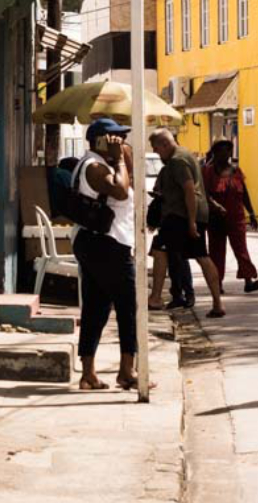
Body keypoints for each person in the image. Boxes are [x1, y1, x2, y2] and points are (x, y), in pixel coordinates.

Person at [69, 118, 138, 392]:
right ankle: (127, 370)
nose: (120, 143)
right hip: (107, 243)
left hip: (101, 241)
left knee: (96, 307)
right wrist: (119, 158)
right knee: (128, 306)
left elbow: (130, 184)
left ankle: (88, 374)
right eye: (114, 138)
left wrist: (123, 157)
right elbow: (120, 192)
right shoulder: (94, 167)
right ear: (99, 141)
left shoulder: (103, 163)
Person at [146, 129, 214, 314]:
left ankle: (157, 297)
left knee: (162, 250)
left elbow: (189, 190)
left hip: (181, 216)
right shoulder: (181, 157)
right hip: (186, 215)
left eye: (156, 149)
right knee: (192, 256)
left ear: (165, 144)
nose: (156, 153)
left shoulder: (177, 160)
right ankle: (214, 302)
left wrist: (191, 222)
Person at [204, 139, 258, 295]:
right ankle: (217, 284)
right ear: (215, 153)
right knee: (216, 253)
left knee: (241, 249)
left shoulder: (236, 171)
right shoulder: (207, 172)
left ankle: (248, 281)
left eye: (228, 150)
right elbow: (204, 194)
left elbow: (244, 193)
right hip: (215, 219)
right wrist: (215, 206)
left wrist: (252, 213)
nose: (225, 154)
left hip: (236, 218)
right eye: (221, 150)